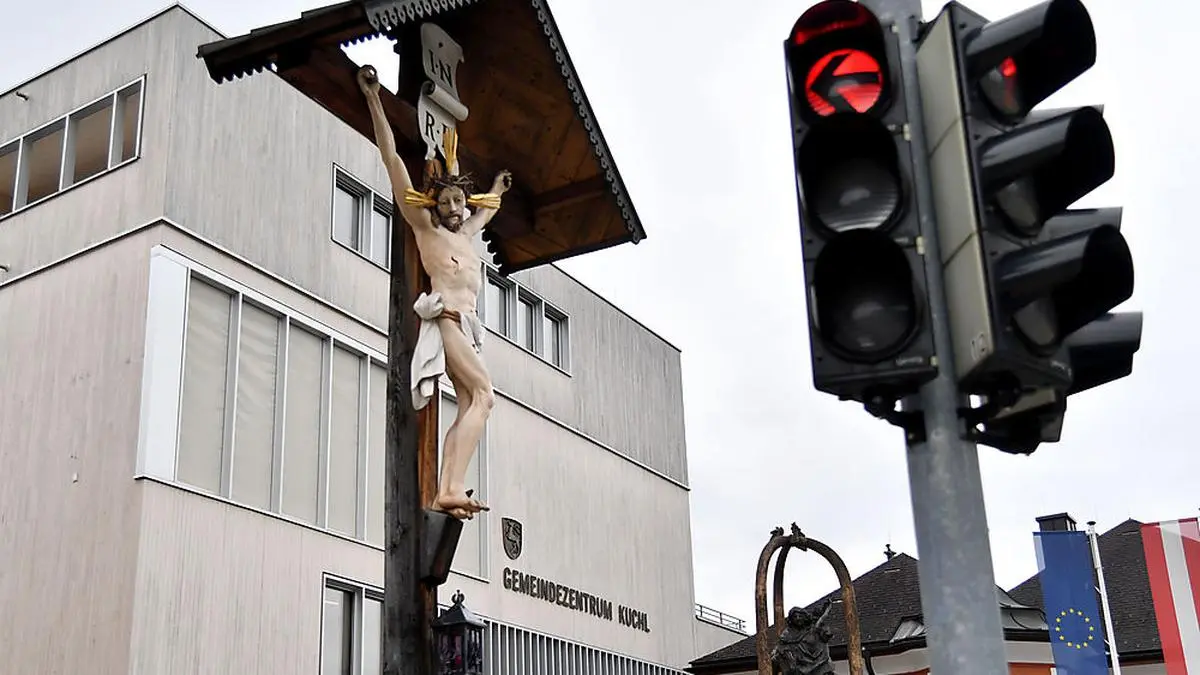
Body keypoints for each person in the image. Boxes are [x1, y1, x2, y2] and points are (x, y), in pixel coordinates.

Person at [356, 64, 511, 521]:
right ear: (435, 207)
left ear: (466, 202)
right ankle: (451, 485)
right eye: (443, 203)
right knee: (484, 396)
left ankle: (447, 488)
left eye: (458, 202)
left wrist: (497, 188)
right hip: (446, 322)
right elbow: (393, 162)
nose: (452, 209)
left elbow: (491, 210)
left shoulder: (469, 233)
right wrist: (373, 100)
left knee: (468, 404)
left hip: (468, 325)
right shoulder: (428, 230)